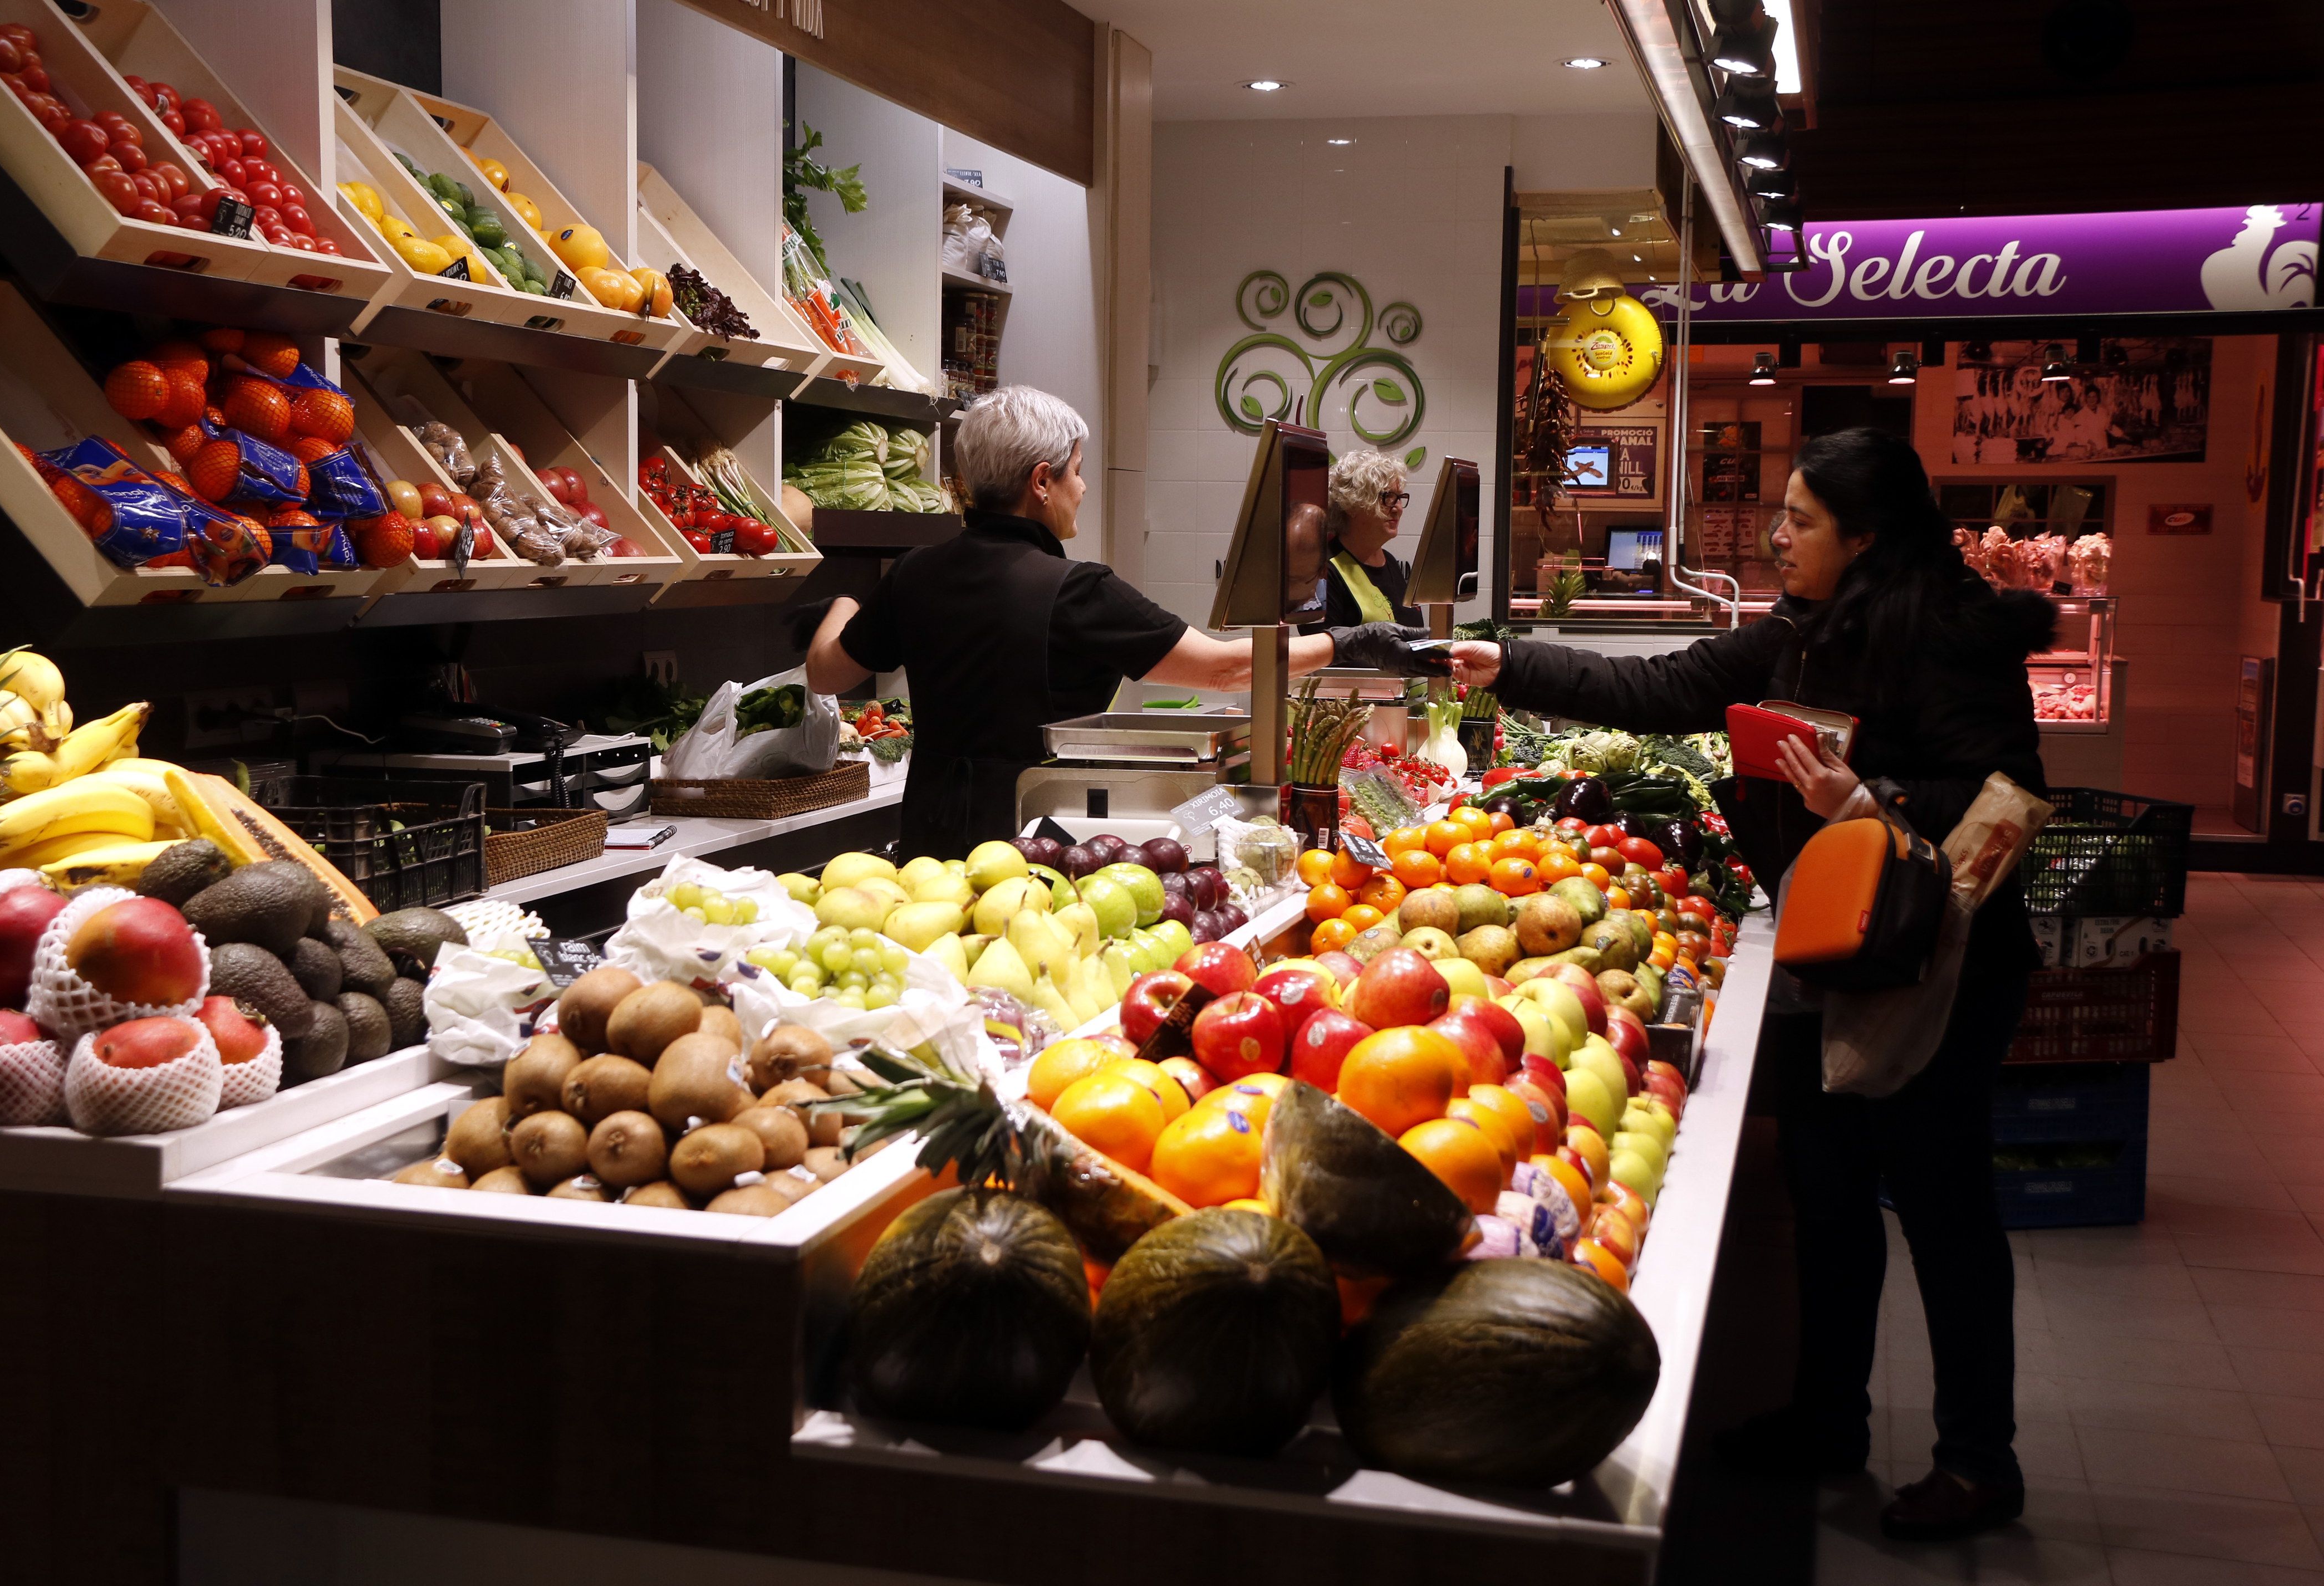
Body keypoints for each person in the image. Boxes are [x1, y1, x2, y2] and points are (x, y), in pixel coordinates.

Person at [1449, 428, 2055, 1543]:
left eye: (1800, 520)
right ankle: (1828, 1414)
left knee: (1945, 1206)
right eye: (1780, 515)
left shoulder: (1957, 635)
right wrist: (1512, 663)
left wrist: (1863, 796)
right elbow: (1664, 685)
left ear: (1864, 537)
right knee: (1827, 1191)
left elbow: (2004, 793)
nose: (1777, 537)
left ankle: (1980, 1460)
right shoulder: (1798, 633)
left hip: (1941, 965)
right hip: (1833, 947)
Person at [798, 386, 1439, 858]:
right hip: (1036, 843)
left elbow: (827, 671)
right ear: (1041, 481)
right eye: (1077, 472)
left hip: (928, 842)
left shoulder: (914, 573)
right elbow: (1225, 669)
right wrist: (1350, 642)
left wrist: (843, 605)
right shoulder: (1075, 589)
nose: (1083, 488)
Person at [1303, 449, 1423, 632]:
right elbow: (1321, 653)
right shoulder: (1321, 572)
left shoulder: (1389, 561)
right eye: (1388, 498)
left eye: (1399, 498)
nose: (1397, 508)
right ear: (1352, 504)